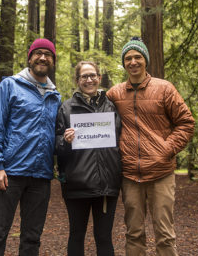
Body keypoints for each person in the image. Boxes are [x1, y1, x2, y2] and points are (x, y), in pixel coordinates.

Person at [107, 37, 195, 256]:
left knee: (165, 233)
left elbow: (186, 123)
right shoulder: (115, 94)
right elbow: (96, 118)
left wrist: (165, 150)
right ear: (124, 63)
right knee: (134, 233)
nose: (133, 62)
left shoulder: (164, 89)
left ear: (145, 60)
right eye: (128, 58)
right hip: (130, 175)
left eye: (138, 57)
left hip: (161, 173)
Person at [0, 38, 61, 256]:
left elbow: (56, 136)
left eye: (48, 54)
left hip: (41, 177)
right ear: (29, 57)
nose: (43, 57)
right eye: (38, 53)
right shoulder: (10, 85)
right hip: (9, 173)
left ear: (53, 60)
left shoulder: (55, 96)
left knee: (32, 238)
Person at [55, 61, 122, 256]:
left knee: (104, 237)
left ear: (99, 78)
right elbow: (56, 144)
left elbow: (120, 140)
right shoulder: (66, 108)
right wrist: (65, 141)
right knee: (76, 235)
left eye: (92, 75)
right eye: (84, 76)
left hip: (106, 185)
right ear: (78, 80)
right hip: (76, 185)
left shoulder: (112, 107)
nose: (89, 79)